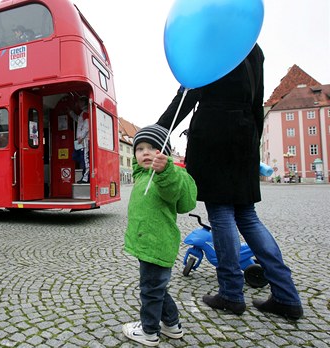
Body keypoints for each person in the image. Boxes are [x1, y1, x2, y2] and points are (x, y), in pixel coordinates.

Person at [157, 44, 304, 320]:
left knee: (221, 213)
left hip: (215, 132)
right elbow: (257, 99)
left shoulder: (214, 42)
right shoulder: (253, 47)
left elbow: (189, 94)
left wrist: (159, 131)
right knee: (247, 215)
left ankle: (231, 293)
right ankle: (286, 295)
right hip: (245, 134)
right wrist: (252, 142)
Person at [122, 124, 197, 347]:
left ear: (164, 152)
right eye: (140, 148)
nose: (145, 152)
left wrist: (165, 171)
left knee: (151, 291)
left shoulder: (168, 175)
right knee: (156, 288)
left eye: (153, 147)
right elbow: (138, 165)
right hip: (146, 242)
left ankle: (149, 332)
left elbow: (175, 194)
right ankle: (172, 325)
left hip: (158, 243)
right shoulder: (141, 174)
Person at [68, 96, 90, 183]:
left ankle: (85, 178)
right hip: (81, 140)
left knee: (85, 159)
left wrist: (82, 137)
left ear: (83, 102)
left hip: (84, 140)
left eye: (80, 102)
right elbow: (78, 120)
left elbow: (87, 126)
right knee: (79, 158)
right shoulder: (82, 113)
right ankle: (84, 176)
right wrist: (70, 112)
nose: (79, 104)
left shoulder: (85, 113)